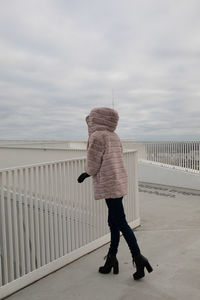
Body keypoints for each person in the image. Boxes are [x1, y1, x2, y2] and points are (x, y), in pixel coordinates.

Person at [77, 107, 153, 280]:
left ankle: (138, 258)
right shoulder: (114, 136)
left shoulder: (97, 136)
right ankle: (111, 259)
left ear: (96, 120)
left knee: (121, 223)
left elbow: (94, 164)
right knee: (113, 222)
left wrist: (85, 173)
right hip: (118, 182)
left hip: (109, 185)